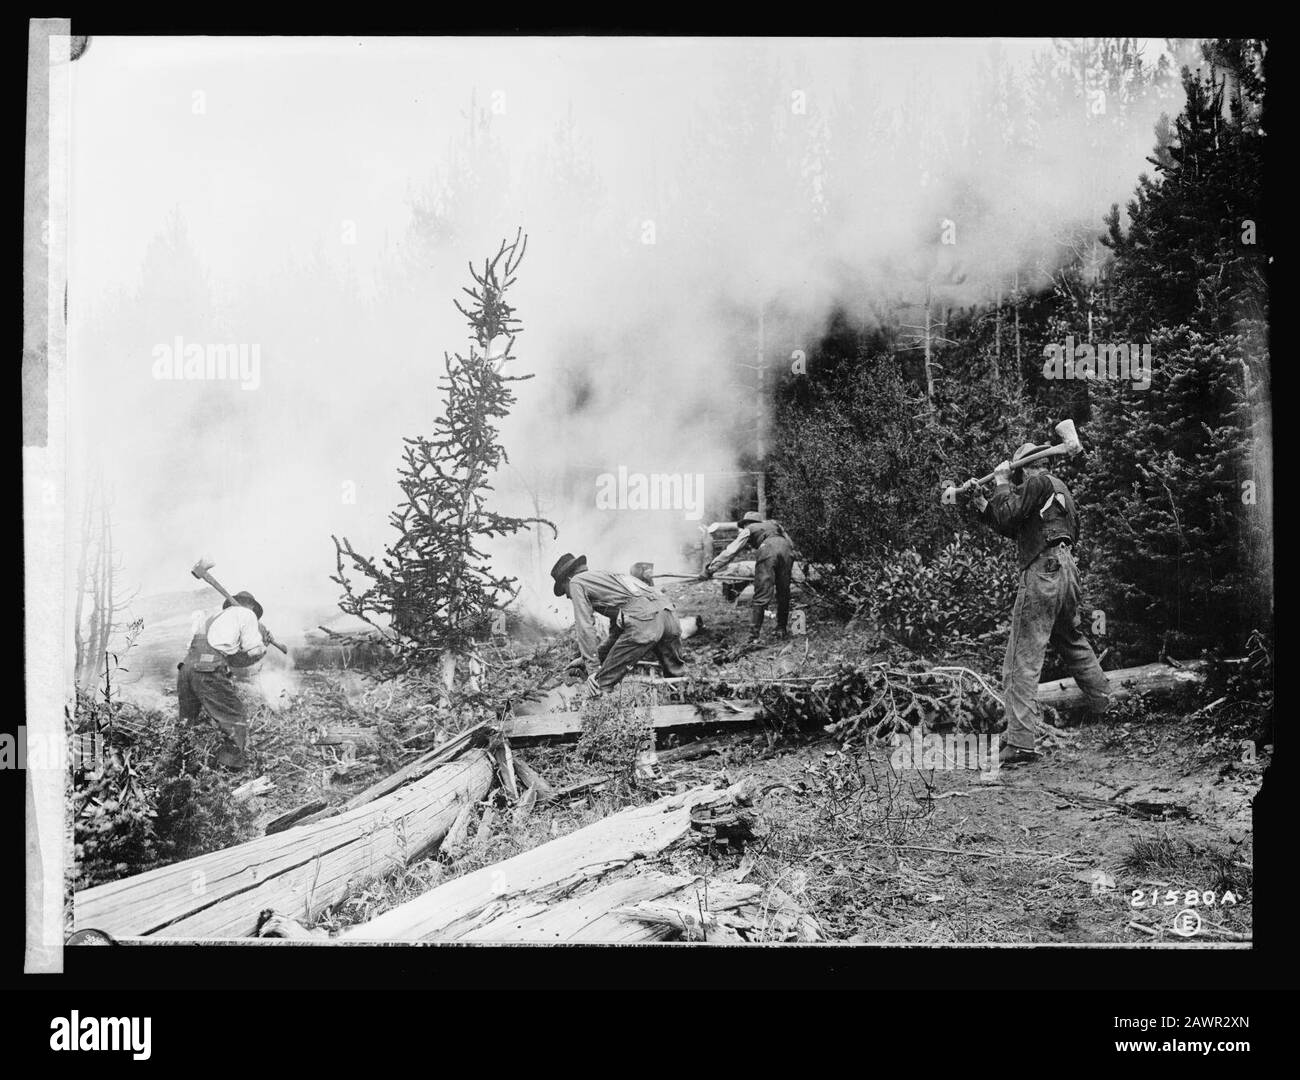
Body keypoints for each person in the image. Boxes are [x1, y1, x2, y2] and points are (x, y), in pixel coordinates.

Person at [964, 441, 1110, 765]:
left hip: (1043, 571)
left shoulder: (1036, 481)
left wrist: (1000, 481)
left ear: (1025, 468)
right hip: (1068, 570)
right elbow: (1011, 522)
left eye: (1016, 474)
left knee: (1021, 658)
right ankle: (1108, 706)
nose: (1016, 482)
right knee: (1073, 642)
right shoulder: (1060, 491)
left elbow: (1009, 513)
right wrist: (982, 502)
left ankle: (1020, 743)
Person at [551, 553, 687, 695]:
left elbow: (585, 626)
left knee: (598, 686)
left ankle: (598, 714)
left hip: (645, 620)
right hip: (669, 615)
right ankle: (687, 709)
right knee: (677, 679)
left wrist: (593, 669)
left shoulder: (576, 582)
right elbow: (617, 634)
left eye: (564, 589)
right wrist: (586, 658)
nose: (567, 595)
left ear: (568, 578)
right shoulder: (607, 578)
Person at [176, 590, 272, 769]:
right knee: (234, 714)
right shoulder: (246, 614)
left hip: (186, 668)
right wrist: (263, 645)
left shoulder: (211, 618)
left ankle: (179, 762)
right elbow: (254, 651)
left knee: (187, 720)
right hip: (207, 670)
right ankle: (229, 768)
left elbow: (229, 658)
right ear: (251, 606)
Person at [704, 511, 795, 642]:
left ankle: (753, 637)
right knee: (784, 592)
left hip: (768, 549)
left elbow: (731, 551)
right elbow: (790, 543)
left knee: (761, 594)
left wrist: (711, 569)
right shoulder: (775, 525)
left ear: (747, 523)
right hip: (787, 549)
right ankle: (781, 629)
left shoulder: (749, 529)